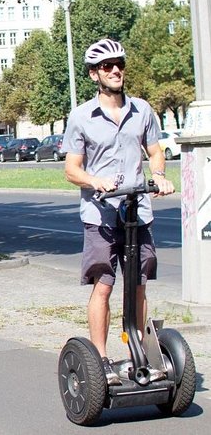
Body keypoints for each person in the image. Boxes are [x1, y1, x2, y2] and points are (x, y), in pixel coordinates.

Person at [61, 38, 175, 385]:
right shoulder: (81, 116)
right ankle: (101, 361)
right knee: (105, 286)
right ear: (95, 73)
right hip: (100, 215)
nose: (115, 70)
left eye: (119, 64)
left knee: (138, 285)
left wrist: (158, 175)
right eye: (107, 66)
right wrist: (96, 181)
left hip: (137, 210)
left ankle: (142, 353)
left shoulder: (142, 109)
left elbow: (155, 152)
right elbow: (71, 169)